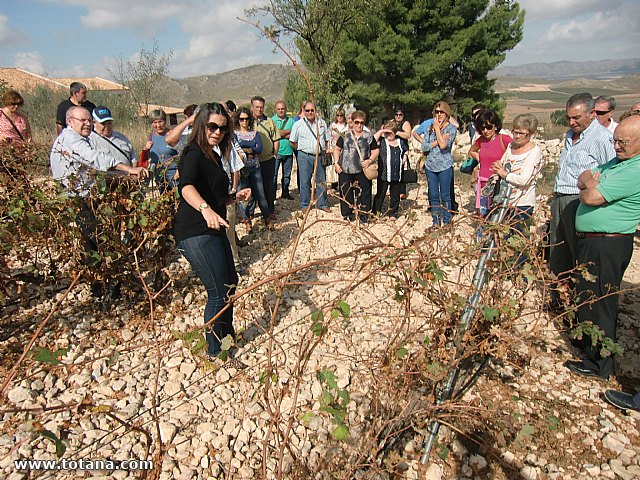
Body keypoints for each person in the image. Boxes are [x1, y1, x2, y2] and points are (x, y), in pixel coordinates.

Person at [173, 102, 251, 363]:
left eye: (222, 128)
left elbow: (214, 196)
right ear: (201, 125)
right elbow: (186, 188)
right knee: (217, 291)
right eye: (212, 126)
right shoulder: (193, 153)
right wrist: (205, 209)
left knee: (231, 283)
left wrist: (233, 197)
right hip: (195, 231)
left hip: (214, 226)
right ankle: (215, 351)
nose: (217, 132)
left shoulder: (214, 155)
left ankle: (227, 337)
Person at [564, 114, 640, 380]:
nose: (617, 146)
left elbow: (591, 195)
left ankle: (601, 364)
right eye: (615, 141)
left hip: (608, 244)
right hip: (594, 242)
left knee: (600, 303)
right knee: (587, 296)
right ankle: (588, 346)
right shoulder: (620, 162)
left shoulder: (635, 170)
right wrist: (590, 183)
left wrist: (591, 187)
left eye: (624, 142)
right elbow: (583, 177)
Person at [50, 106, 147, 296]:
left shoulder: (77, 139)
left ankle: (101, 286)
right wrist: (127, 170)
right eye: (82, 121)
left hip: (85, 195)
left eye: (89, 120)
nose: (87, 124)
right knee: (102, 240)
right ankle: (112, 284)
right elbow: (93, 158)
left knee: (93, 243)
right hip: (78, 198)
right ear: (70, 121)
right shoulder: (71, 140)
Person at [548, 93, 615, 311]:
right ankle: (560, 301)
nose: (571, 122)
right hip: (560, 199)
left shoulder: (602, 138)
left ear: (592, 113)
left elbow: (610, 173)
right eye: (568, 117)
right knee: (558, 253)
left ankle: (581, 308)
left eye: (576, 117)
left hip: (581, 202)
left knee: (580, 257)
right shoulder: (570, 136)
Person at [490, 114, 543, 241]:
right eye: (515, 132)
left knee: (517, 240)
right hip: (504, 201)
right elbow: (503, 164)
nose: (518, 136)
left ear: (530, 134)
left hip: (522, 203)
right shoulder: (511, 146)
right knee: (501, 238)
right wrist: (498, 167)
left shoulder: (534, 151)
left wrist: (505, 174)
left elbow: (525, 180)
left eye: (522, 133)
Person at [332, 110, 379, 222]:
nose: (359, 125)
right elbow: (337, 149)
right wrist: (336, 163)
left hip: (362, 170)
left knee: (365, 193)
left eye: (361, 122)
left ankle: (363, 215)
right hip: (345, 169)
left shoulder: (368, 136)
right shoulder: (344, 135)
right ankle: (348, 215)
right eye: (356, 122)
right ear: (352, 122)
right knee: (345, 193)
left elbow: (375, 150)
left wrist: (370, 160)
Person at [469, 109, 512, 217]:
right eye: (482, 128)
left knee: (497, 217)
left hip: (498, 185)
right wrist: (480, 160)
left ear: (495, 126)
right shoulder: (481, 141)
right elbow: (472, 151)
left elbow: (515, 152)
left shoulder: (504, 139)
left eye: (488, 127)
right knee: (483, 217)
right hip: (483, 185)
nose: (485, 131)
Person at [422, 101, 457, 228]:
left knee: (445, 195)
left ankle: (447, 221)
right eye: (436, 112)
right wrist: (438, 139)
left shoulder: (451, 129)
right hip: (430, 166)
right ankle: (435, 221)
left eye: (441, 112)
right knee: (433, 195)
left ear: (446, 113)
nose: (439, 114)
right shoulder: (428, 129)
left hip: (445, 166)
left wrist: (437, 129)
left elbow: (444, 146)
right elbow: (424, 147)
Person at [233, 107, 271, 227]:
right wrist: (250, 149)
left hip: (255, 167)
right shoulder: (234, 134)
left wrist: (245, 149)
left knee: (260, 194)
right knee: (243, 196)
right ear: (237, 120)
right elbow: (235, 149)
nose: (244, 121)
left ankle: (267, 219)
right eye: (241, 119)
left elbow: (259, 149)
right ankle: (247, 220)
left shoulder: (255, 134)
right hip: (241, 169)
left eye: (247, 119)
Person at [250, 96, 280, 221]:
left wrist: (275, 154)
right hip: (252, 161)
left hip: (268, 160)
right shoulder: (247, 121)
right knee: (252, 187)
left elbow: (276, 138)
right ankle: (250, 213)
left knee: (269, 186)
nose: (259, 109)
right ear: (252, 107)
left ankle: (269, 211)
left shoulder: (269, 122)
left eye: (261, 107)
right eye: (257, 107)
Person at [373, 120, 408, 219]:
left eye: (390, 132)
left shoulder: (400, 142)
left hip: (397, 173)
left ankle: (393, 213)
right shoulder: (382, 142)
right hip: (384, 173)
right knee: (380, 194)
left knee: (395, 195)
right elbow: (372, 140)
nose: (388, 135)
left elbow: (406, 150)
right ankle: (376, 213)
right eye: (386, 133)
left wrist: (405, 157)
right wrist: (381, 131)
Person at [145, 109, 179, 193]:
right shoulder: (151, 137)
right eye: (155, 122)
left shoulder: (172, 135)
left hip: (174, 178)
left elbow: (182, 155)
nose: (158, 125)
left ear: (165, 121)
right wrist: (145, 149)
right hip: (160, 179)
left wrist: (178, 173)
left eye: (160, 121)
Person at [271, 101, 295, 200]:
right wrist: (287, 132)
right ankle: (272, 195)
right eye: (279, 109)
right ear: (276, 109)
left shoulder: (291, 121)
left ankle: (285, 193)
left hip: (289, 152)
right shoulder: (272, 120)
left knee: (287, 175)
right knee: (274, 175)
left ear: (286, 109)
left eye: (282, 109)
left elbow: (294, 134)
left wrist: (280, 134)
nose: (281, 111)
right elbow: (274, 133)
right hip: (276, 152)